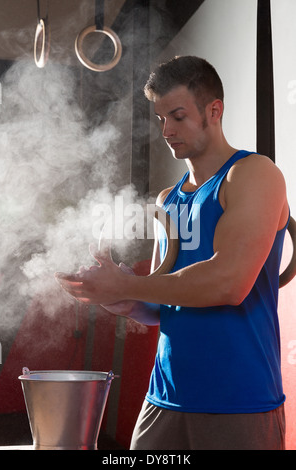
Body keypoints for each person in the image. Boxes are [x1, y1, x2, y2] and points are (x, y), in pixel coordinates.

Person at [55, 56, 289, 450]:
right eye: (161, 118)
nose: (166, 130)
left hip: (239, 400)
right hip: (164, 398)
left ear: (213, 111)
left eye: (177, 116)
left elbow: (227, 284)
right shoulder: (168, 199)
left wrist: (132, 283)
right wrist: (125, 300)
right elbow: (165, 307)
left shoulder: (253, 174)